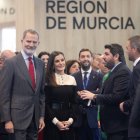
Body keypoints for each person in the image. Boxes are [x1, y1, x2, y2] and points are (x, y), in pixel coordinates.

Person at [78, 44, 131, 140]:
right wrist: (88, 95)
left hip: (118, 126)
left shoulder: (122, 71)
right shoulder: (113, 72)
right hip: (111, 127)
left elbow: (117, 97)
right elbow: (106, 94)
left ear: (116, 56)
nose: (102, 57)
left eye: (106, 54)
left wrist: (94, 96)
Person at [0, 29, 45, 140]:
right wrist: (7, 120)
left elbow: (41, 93)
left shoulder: (40, 63)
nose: (31, 44)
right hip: (16, 120)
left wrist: (41, 117)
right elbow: (4, 94)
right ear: (22, 41)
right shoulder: (11, 63)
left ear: (38, 43)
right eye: (28, 41)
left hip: (35, 120)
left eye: (34, 42)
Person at [43, 51, 77, 140]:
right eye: (57, 61)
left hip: (68, 119)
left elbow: (74, 102)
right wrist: (56, 122)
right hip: (52, 119)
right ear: (52, 64)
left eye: (62, 60)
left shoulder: (72, 79)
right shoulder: (47, 79)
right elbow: (45, 104)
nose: (61, 63)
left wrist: (70, 120)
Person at [72, 48, 102, 140]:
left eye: (88, 56)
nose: (85, 58)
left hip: (93, 119)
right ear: (79, 59)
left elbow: (102, 92)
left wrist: (89, 94)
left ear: (92, 59)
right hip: (77, 119)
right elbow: (71, 95)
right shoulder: (73, 77)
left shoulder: (99, 76)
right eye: (83, 56)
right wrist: (78, 95)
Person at [119, 35, 140, 140]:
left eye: (127, 48)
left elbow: (138, 96)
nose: (126, 51)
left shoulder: (137, 69)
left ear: (134, 49)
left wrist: (125, 104)